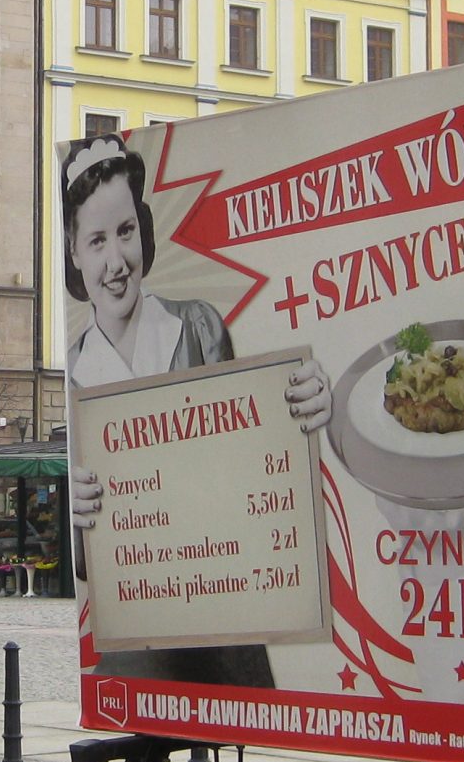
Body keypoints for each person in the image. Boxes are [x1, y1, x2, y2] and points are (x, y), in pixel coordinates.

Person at [62, 134, 330, 686]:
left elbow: (256, 473)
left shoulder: (200, 326)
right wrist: (77, 520)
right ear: (72, 252)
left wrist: (301, 411)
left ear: (144, 231)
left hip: (223, 627)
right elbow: (87, 567)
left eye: (125, 232)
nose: (116, 262)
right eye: (95, 241)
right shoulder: (75, 372)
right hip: (143, 644)